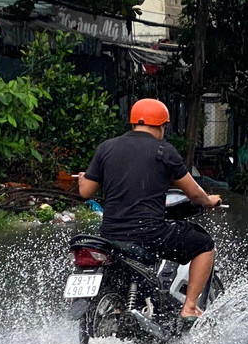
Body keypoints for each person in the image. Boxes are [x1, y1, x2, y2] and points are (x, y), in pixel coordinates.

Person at [77, 99, 223, 322]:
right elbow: (194, 193)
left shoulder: (107, 147)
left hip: (110, 235)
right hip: (150, 234)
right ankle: (190, 307)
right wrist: (208, 200)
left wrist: (82, 179)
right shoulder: (164, 151)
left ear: (134, 123)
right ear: (161, 125)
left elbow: (86, 191)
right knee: (204, 244)